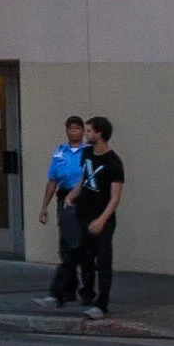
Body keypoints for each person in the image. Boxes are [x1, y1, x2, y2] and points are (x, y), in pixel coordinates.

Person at [75, 116, 126, 312]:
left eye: (89, 131)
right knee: (85, 257)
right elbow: (84, 178)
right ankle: (87, 293)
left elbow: (115, 197)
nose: (85, 134)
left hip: (102, 216)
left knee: (103, 260)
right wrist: (73, 194)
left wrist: (102, 220)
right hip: (84, 212)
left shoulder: (113, 162)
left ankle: (102, 303)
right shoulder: (87, 153)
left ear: (99, 134)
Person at [38, 114, 88, 305]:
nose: (74, 132)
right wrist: (44, 206)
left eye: (77, 128)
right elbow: (53, 179)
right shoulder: (60, 152)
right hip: (64, 196)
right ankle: (69, 289)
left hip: (82, 198)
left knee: (81, 245)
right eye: (70, 128)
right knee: (67, 244)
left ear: (83, 131)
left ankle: (83, 289)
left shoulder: (88, 151)